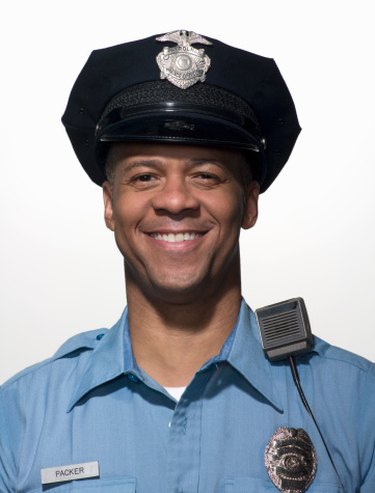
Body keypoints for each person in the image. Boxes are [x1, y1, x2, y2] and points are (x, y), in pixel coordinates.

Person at [0, 30, 374, 493]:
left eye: (206, 175)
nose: (175, 200)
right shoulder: (20, 415)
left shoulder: (358, 405)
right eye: (144, 176)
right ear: (110, 205)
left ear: (250, 203)